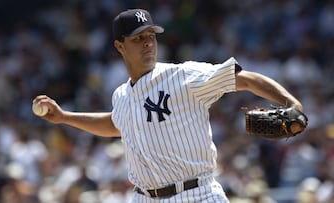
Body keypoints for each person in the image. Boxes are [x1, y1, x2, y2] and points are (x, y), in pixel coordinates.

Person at [33, 8, 306, 203]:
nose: (148, 43)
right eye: (138, 39)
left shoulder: (182, 76)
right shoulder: (121, 95)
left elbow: (246, 80)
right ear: (119, 46)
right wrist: (65, 117)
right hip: (145, 198)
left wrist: (291, 103)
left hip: (197, 194)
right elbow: (116, 124)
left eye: (150, 36)